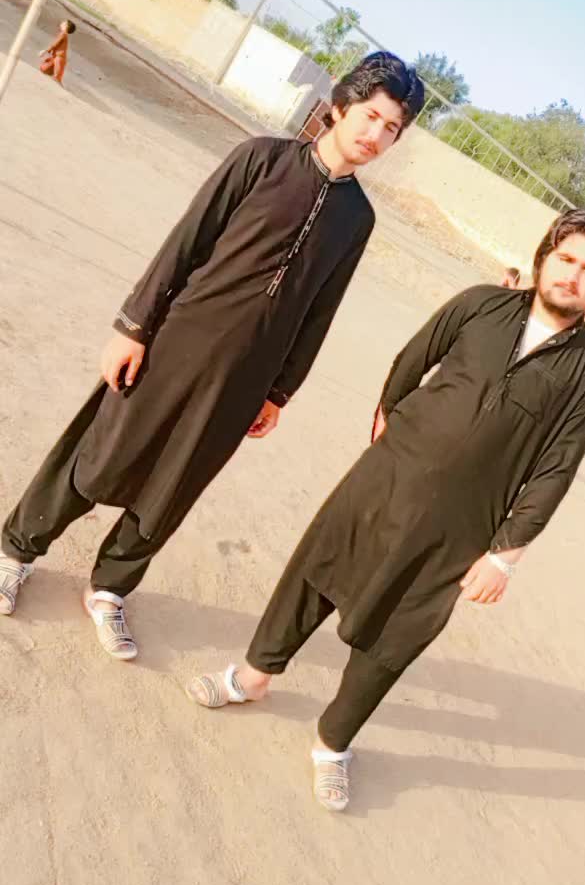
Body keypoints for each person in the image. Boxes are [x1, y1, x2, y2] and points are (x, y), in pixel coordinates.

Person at [187, 208, 585, 811]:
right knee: (315, 574)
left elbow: (557, 466)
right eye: (566, 258)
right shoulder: (480, 304)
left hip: (463, 526)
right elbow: (415, 357)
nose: (573, 275)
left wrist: (504, 555)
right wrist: (389, 419)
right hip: (387, 477)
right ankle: (254, 676)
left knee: (397, 633)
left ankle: (332, 743)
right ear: (544, 256)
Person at [0, 52, 425, 659]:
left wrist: (279, 392)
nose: (375, 135)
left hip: (244, 379)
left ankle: (110, 588)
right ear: (339, 107)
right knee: (101, 450)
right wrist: (133, 326)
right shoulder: (261, 159)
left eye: (391, 129)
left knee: (175, 484)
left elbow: (319, 311)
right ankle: (16, 550)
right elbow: (185, 241)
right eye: (371, 116)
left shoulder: (358, 218)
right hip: (176, 342)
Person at [39, 19, 76, 86]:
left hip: (59, 58)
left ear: (66, 26)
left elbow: (55, 44)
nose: (61, 23)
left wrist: (45, 51)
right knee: (43, 69)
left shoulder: (63, 34)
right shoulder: (63, 34)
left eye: (63, 22)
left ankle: (60, 89)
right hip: (55, 57)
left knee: (57, 79)